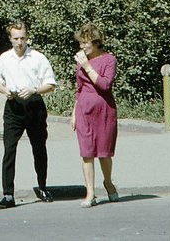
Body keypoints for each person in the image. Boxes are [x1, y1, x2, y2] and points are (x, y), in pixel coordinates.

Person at [0, 20, 57, 209]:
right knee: (9, 149)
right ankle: (8, 194)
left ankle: (43, 187)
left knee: (39, 148)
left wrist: (35, 90)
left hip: (34, 106)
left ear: (27, 37)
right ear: (10, 39)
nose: (20, 42)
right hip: (13, 107)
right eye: (16, 38)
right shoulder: (5, 58)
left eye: (23, 38)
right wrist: (4, 91)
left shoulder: (37, 58)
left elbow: (50, 85)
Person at [70, 22, 118, 207]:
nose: (82, 47)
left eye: (85, 43)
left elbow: (105, 85)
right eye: (80, 43)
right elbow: (79, 88)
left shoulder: (108, 60)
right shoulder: (81, 62)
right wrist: (74, 113)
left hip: (104, 111)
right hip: (84, 110)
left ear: (96, 42)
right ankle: (90, 193)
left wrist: (87, 65)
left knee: (104, 153)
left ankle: (108, 182)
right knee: (87, 153)